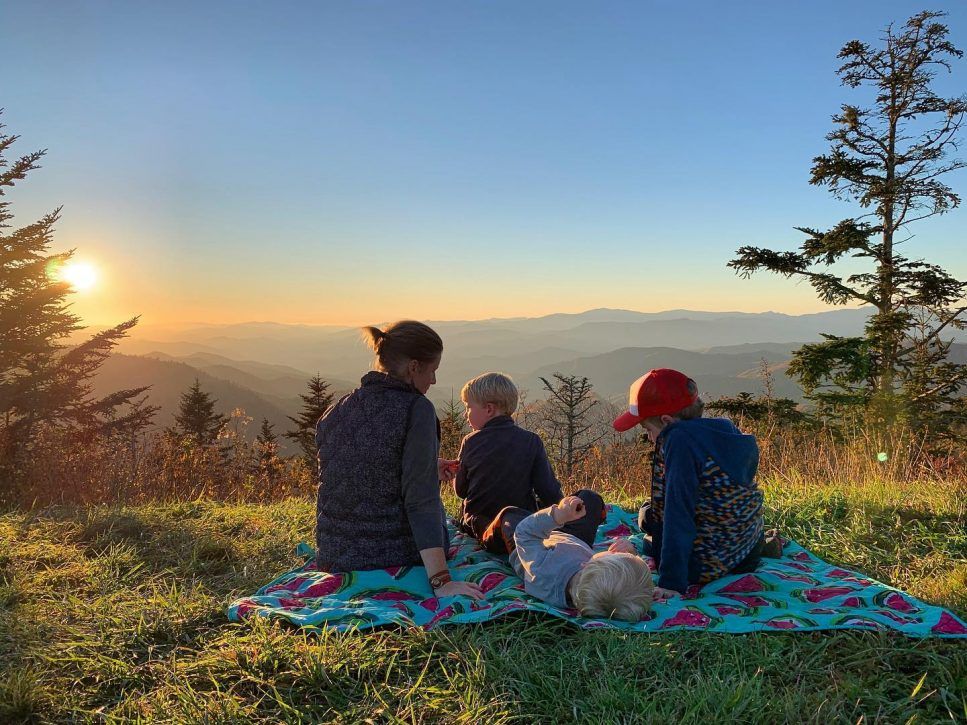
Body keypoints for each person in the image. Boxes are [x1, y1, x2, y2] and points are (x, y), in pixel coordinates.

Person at [314, 320, 482, 600]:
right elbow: (420, 500)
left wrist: (428, 466)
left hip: (334, 553)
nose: (434, 381)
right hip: (393, 551)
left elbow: (352, 469)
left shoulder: (336, 409)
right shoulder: (417, 409)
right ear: (414, 367)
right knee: (441, 518)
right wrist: (442, 582)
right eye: (432, 371)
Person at [612, 368, 766, 601]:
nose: (650, 438)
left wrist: (672, 582)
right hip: (748, 546)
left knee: (647, 519)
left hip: (708, 564)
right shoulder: (723, 428)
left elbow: (678, 513)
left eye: (648, 430)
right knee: (650, 514)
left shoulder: (679, 441)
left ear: (666, 421)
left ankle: (643, 537)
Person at [493, 491, 653, 620]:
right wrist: (629, 555)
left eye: (613, 555)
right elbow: (627, 587)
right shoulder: (592, 586)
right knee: (590, 498)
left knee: (509, 515)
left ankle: (482, 529)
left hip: (529, 545)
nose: (615, 552)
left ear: (586, 564)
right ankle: (551, 512)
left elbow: (524, 533)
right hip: (574, 540)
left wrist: (557, 516)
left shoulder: (544, 571)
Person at [453, 372, 563, 552]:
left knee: (473, 516)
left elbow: (461, 491)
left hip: (480, 526)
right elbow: (548, 490)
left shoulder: (470, 441)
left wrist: (455, 473)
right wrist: (562, 514)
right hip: (522, 525)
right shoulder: (531, 441)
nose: (466, 415)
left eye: (468, 407)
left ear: (489, 409)